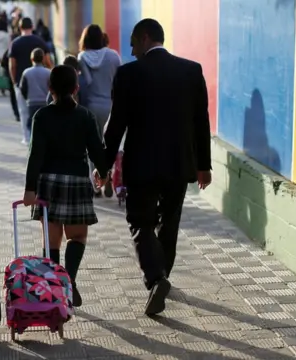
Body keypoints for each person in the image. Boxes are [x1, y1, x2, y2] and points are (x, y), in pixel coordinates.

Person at [95, 19, 212, 316]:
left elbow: (116, 126)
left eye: (133, 43)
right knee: (169, 222)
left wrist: (104, 165)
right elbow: (201, 122)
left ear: (145, 38)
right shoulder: (191, 70)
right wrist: (204, 166)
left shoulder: (129, 74)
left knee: (140, 221)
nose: (132, 51)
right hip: (178, 164)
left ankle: (156, 278)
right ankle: (163, 275)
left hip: (142, 165)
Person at [23, 65, 109, 308]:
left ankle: (56, 288)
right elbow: (96, 149)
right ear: (76, 88)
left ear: (50, 89)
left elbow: (35, 155)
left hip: (48, 182)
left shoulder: (41, 116)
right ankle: (69, 279)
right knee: (77, 237)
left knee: (51, 241)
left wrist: (30, 187)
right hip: (77, 181)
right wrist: (103, 173)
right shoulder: (85, 115)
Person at [77, 24, 122, 198]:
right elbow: (120, 79)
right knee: (110, 144)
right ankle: (108, 175)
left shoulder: (82, 57)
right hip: (112, 106)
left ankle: (95, 184)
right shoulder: (113, 55)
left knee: (92, 146)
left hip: (91, 107)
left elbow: (86, 82)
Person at [8, 17, 53, 144]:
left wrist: (14, 82)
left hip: (22, 82)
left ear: (20, 28)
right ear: (32, 27)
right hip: (41, 81)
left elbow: (12, 64)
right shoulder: (40, 41)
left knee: (24, 111)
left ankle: (27, 138)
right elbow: (48, 61)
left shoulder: (15, 43)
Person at [20, 48, 50, 133]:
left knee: (32, 125)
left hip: (32, 103)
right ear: (43, 58)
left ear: (32, 59)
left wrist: (27, 98)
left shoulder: (26, 72)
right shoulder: (48, 72)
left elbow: (23, 89)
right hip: (45, 103)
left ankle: (33, 142)